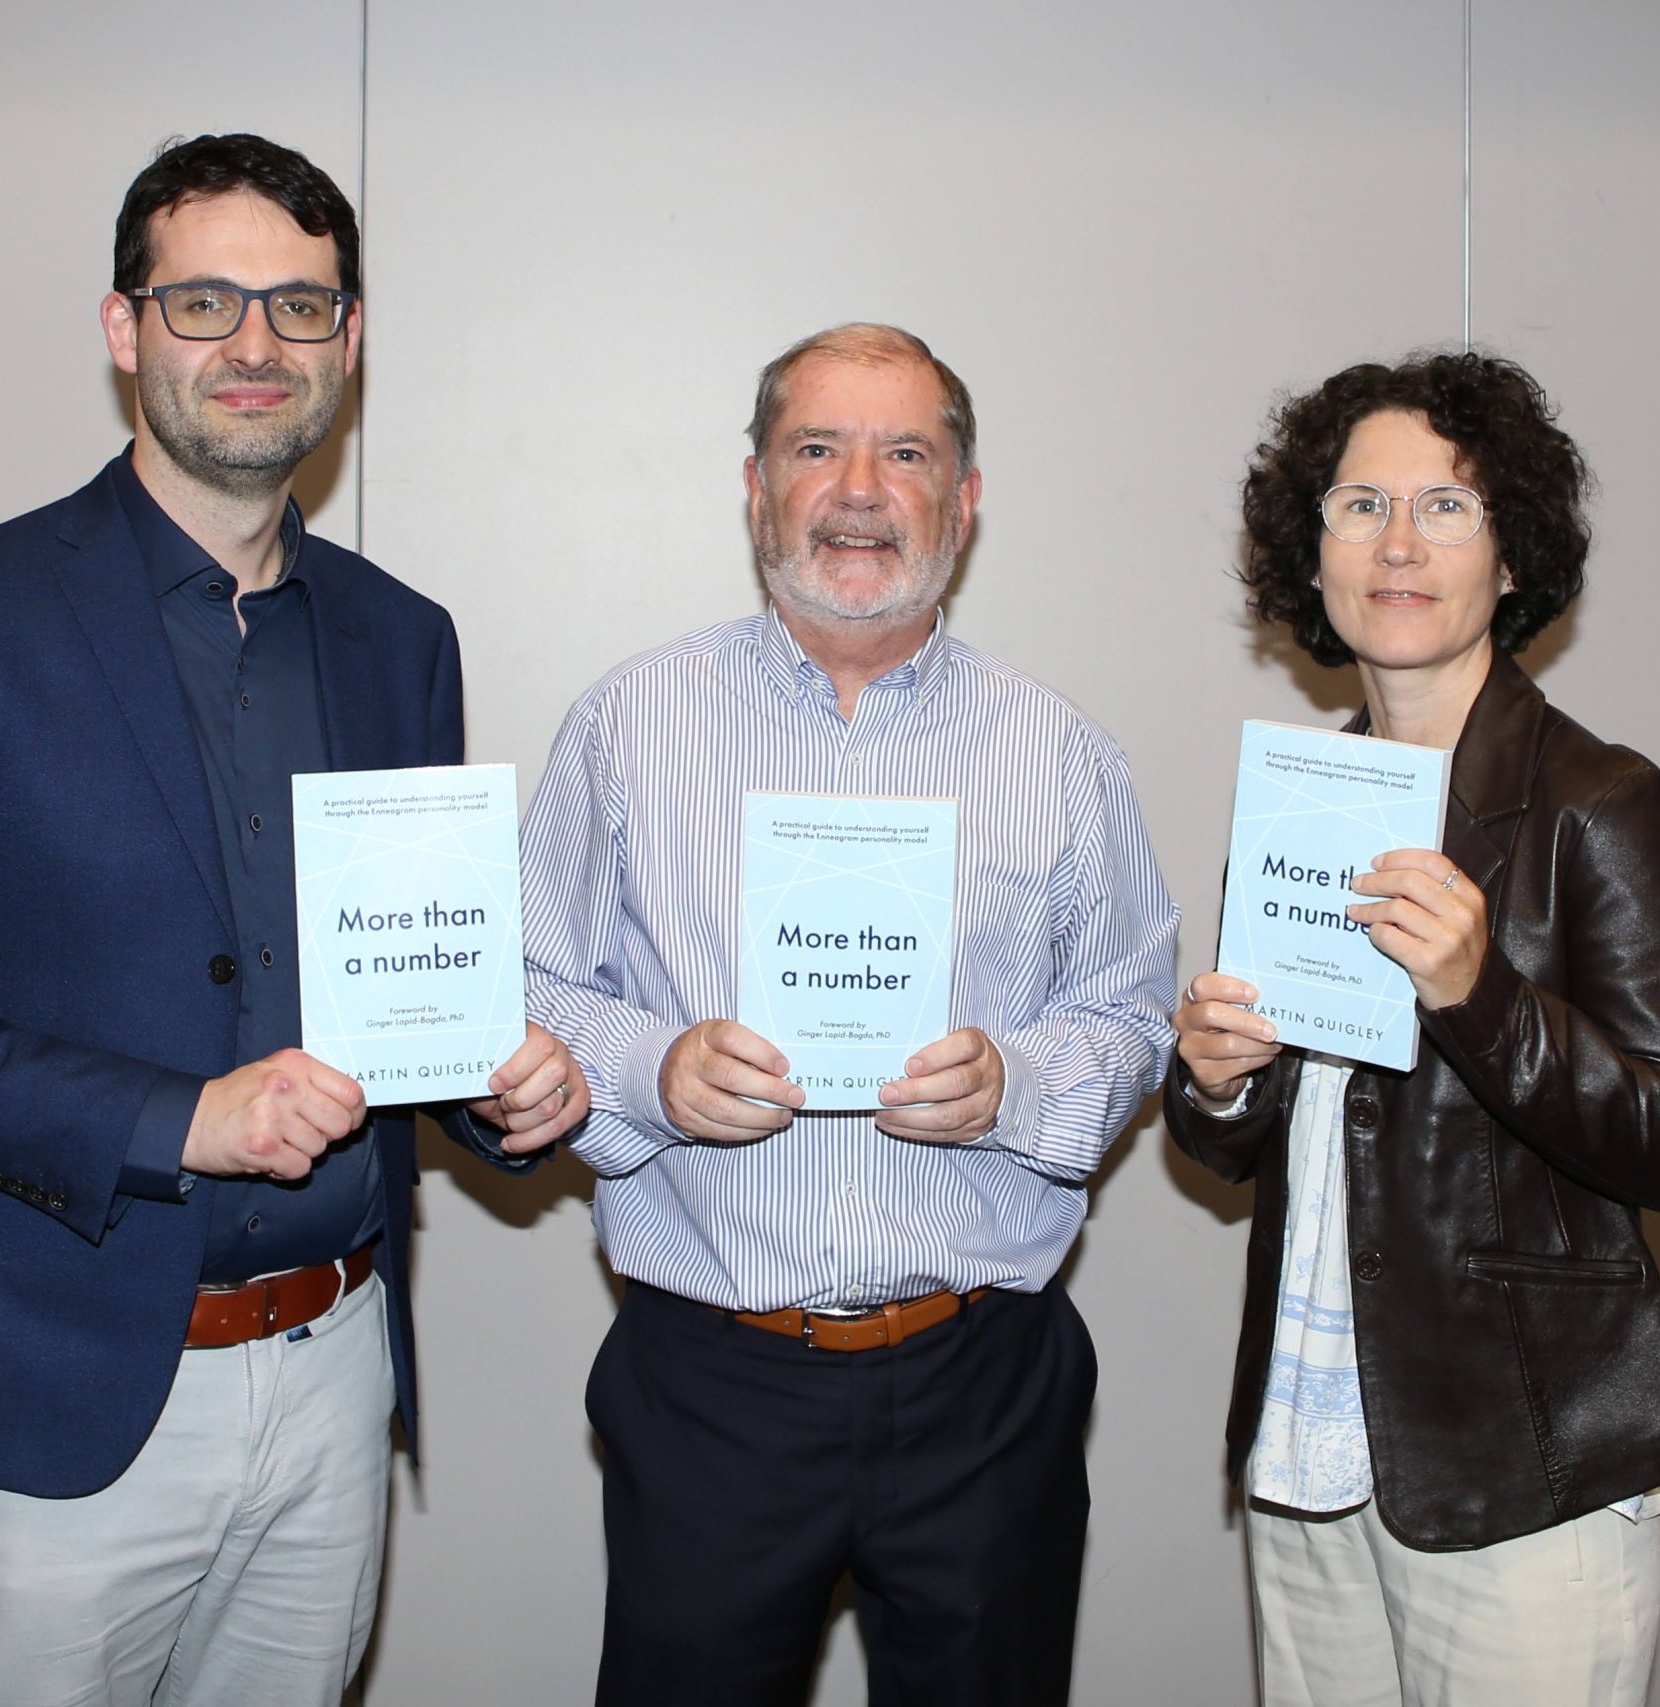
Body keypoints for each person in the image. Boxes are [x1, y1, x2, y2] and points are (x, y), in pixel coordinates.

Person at [0, 133, 589, 1707]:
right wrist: (180, 1120)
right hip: (45, 1402)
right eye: (206, 301)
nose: (256, 346)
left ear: (349, 341)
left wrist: (500, 1089)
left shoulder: (401, 637)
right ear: (122, 326)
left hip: (336, 1379)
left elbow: (409, 986)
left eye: (300, 306)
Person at [522, 323, 1179, 1707]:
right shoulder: (628, 725)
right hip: (711, 1381)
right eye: (818, 448)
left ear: (967, 495)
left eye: (907, 452)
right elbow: (519, 983)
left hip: (982, 1382)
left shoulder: (1057, 752)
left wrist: (1019, 1081)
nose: (860, 489)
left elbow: (1133, 1014)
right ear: (757, 484)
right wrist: (651, 1066)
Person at [1165, 351, 1660, 1706]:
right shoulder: (1307, 804)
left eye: (1447, 508)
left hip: (1518, 1448)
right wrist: (1216, 1082)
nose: (1399, 545)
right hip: (1310, 1440)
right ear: (1311, 556)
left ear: (1512, 556)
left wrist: (1480, 995)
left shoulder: (1603, 802)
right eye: (1359, 506)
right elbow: (1258, 1140)